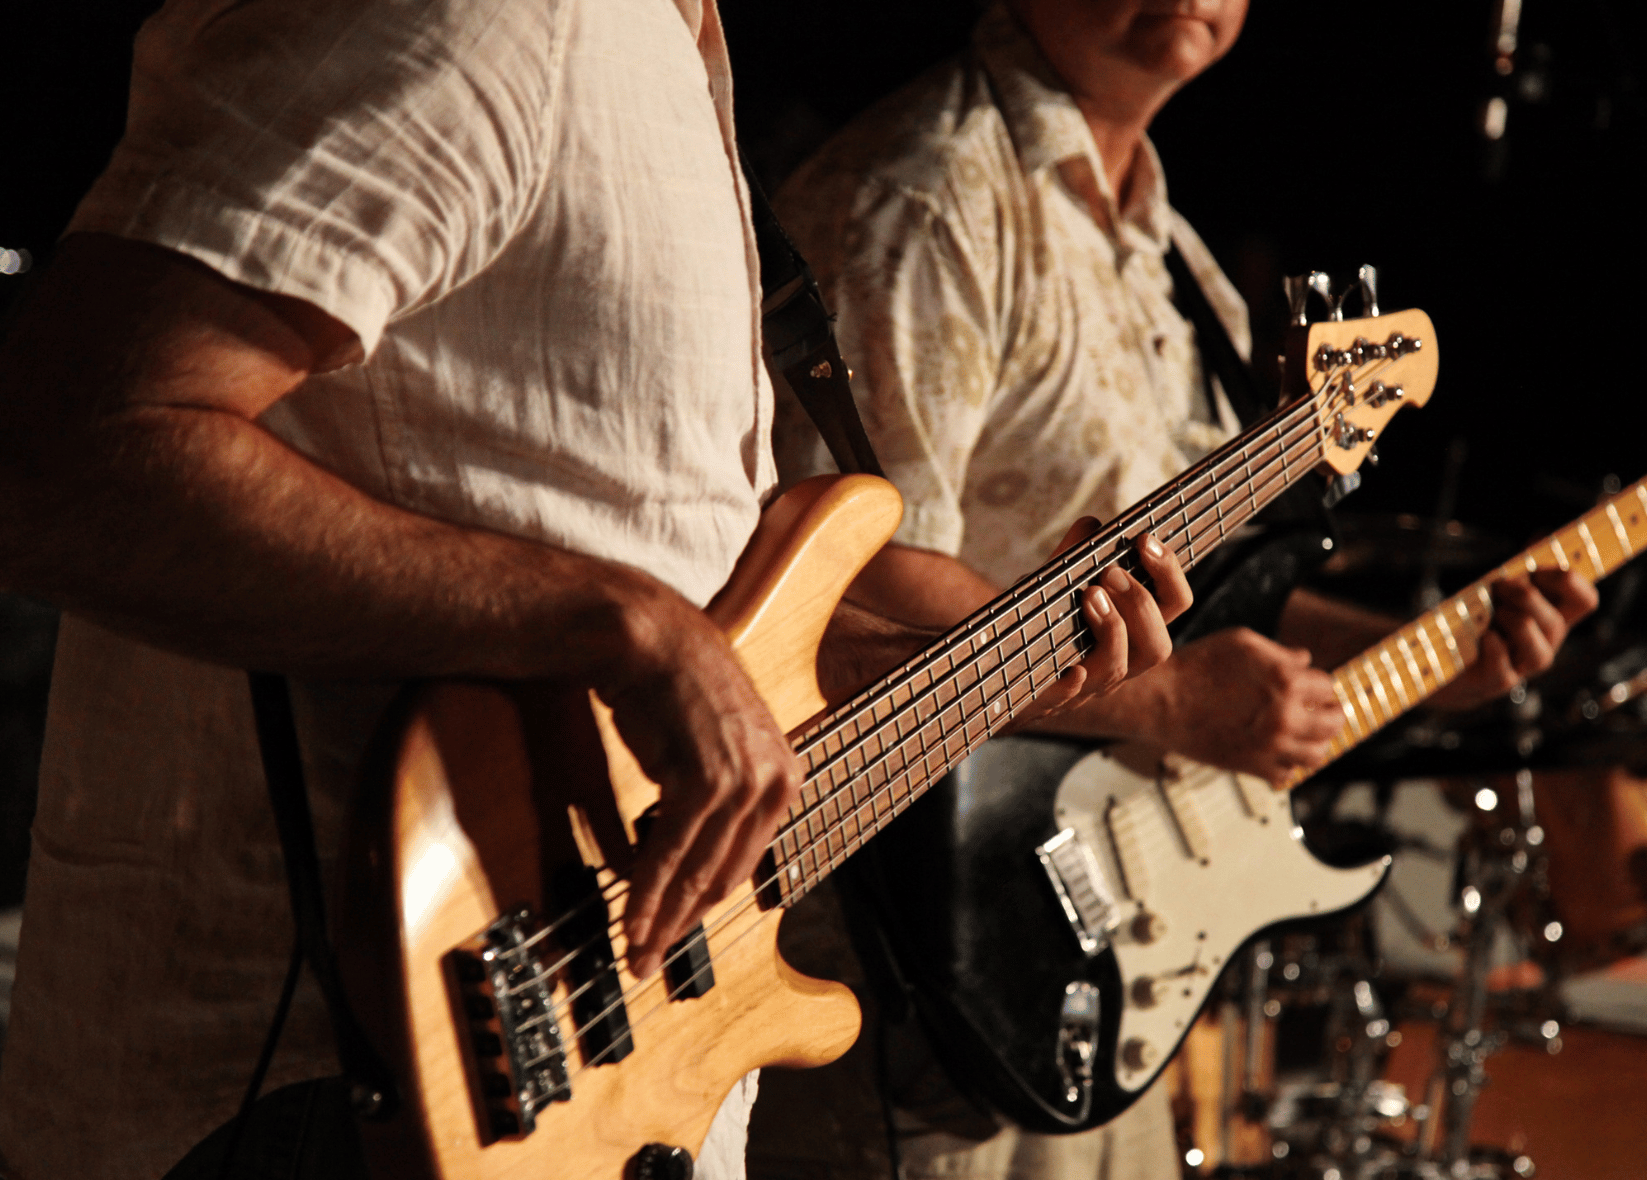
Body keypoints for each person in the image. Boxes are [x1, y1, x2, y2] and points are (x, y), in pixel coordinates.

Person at [0, 2, 1191, 1178]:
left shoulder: (661, 47)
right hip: (335, 1085)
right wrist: (616, 627)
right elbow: (59, 458)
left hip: (594, 1075)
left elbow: (661, 576)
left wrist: (978, 658)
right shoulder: (494, 18)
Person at [751, 1, 1599, 1176]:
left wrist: (1437, 659)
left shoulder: (1167, 244)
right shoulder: (928, 192)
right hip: (919, 952)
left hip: (1099, 953)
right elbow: (847, 588)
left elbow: (1215, 601)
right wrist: (1164, 703)